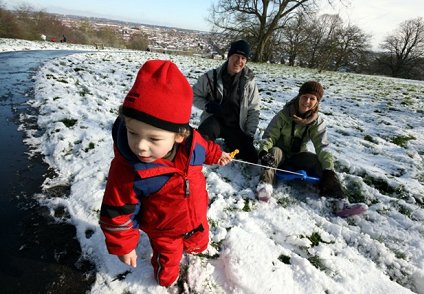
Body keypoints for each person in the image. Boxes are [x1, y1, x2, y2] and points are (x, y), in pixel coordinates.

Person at [99, 60, 232, 287]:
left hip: (196, 213)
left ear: (179, 136)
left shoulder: (192, 143)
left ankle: (194, 247)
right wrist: (124, 246)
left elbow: (206, 149)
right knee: (168, 261)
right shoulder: (129, 170)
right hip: (164, 229)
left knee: (199, 241)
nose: (140, 146)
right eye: (133, 133)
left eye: (153, 139)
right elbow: (117, 211)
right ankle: (164, 279)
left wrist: (217, 155)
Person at [256, 80, 367, 217]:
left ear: (317, 102)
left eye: (312, 98)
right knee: (274, 152)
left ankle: (339, 201)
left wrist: (328, 169)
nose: (307, 101)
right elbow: (269, 136)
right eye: (304, 97)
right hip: (280, 153)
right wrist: (263, 150)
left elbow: (323, 146)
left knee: (318, 161)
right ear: (299, 97)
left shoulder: (317, 122)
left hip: (298, 155)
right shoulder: (283, 115)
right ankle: (264, 188)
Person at [192, 39, 260, 163]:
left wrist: (249, 135)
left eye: (243, 58)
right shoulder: (211, 77)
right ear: (229, 56)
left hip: (236, 125)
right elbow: (194, 95)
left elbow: (254, 109)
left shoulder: (249, 82)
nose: (239, 61)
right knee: (199, 146)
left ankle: (235, 143)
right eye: (236, 56)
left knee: (251, 157)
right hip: (215, 121)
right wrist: (207, 106)